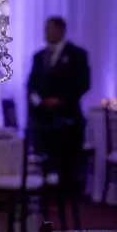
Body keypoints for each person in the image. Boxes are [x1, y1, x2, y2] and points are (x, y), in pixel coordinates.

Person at [27, 16, 90, 193]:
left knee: (66, 160)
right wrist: (38, 101)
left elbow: (83, 83)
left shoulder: (77, 55)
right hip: (43, 118)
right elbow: (31, 84)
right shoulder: (39, 56)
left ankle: (66, 194)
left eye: (50, 29)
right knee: (44, 155)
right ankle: (44, 189)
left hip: (67, 116)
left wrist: (61, 100)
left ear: (61, 31)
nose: (46, 33)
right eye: (45, 29)